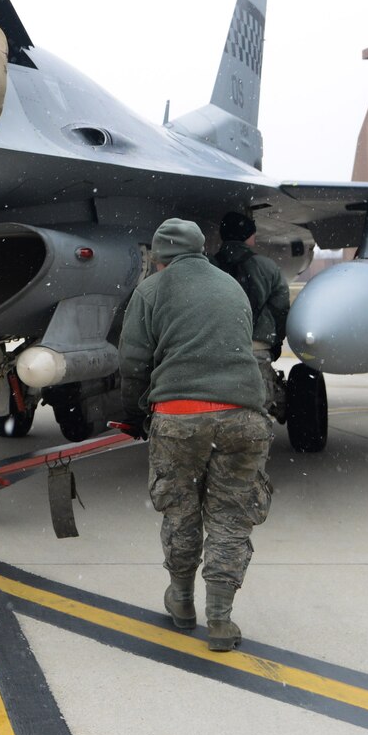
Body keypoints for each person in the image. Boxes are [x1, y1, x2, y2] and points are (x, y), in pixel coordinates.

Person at [117, 217, 273, 651]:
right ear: (202, 249)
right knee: (230, 515)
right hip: (243, 415)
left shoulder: (150, 290)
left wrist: (133, 414)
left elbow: (133, 362)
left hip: (179, 415)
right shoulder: (230, 285)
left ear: (158, 255)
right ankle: (220, 620)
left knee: (181, 509)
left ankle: (182, 602)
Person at [211, 211, 290, 408]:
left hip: (213, 350)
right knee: (257, 412)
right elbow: (280, 309)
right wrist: (276, 341)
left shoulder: (208, 266)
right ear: (248, 236)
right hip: (256, 348)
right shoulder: (268, 267)